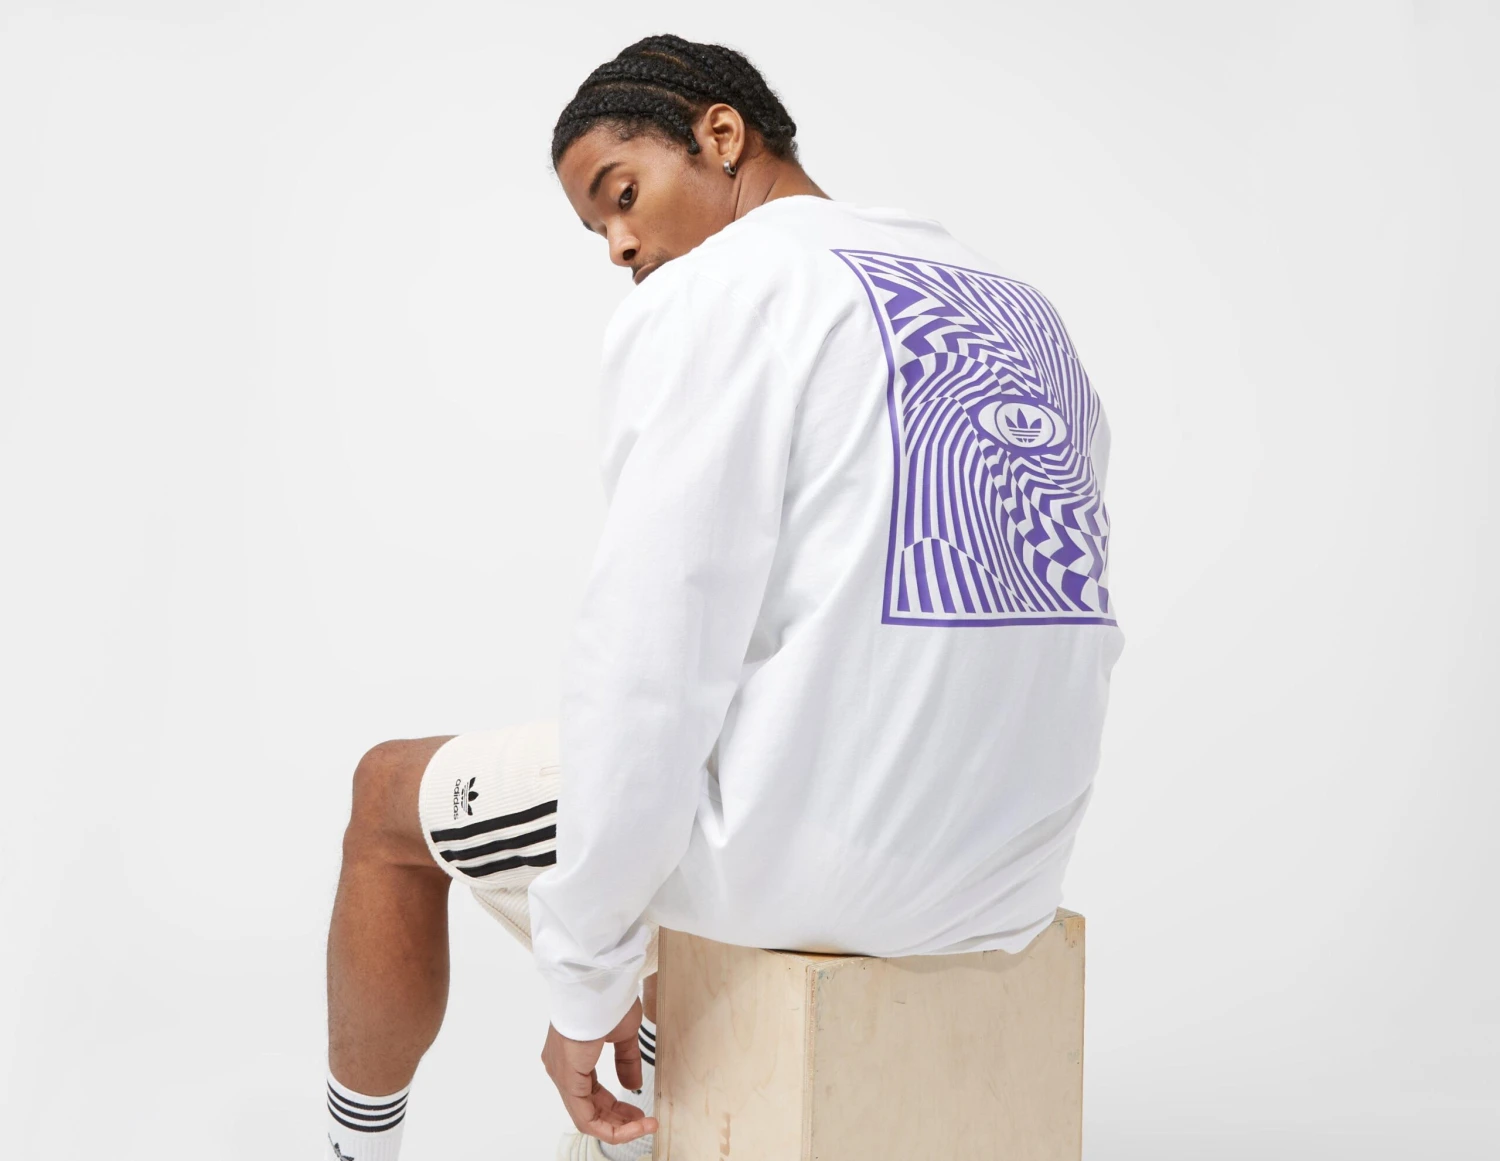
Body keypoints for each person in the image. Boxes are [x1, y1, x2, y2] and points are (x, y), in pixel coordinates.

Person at [323, 31, 1124, 1161]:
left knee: (384, 799)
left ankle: (354, 1153)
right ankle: (668, 1085)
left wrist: (584, 981)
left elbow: (651, 657)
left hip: (827, 862)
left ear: (722, 133)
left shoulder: (725, 290)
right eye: (596, 229)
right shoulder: (1019, 306)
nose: (617, 244)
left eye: (621, 194)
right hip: (1014, 869)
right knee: (701, 756)